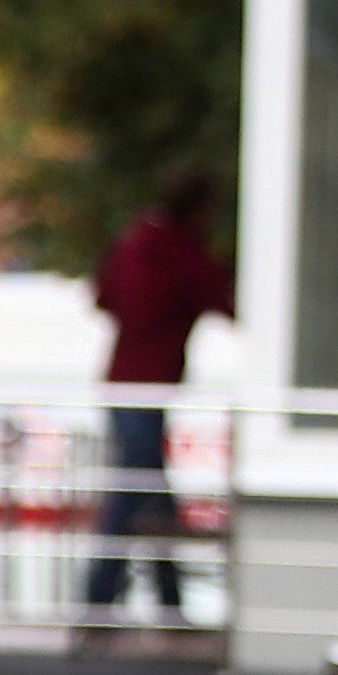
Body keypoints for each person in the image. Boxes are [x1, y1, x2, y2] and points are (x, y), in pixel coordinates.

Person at [84, 169, 231, 622]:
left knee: (149, 494)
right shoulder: (180, 253)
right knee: (134, 495)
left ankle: (166, 604)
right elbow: (223, 298)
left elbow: (103, 295)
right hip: (147, 390)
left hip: (123, 385)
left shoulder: (133, 242)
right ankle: (97, 603)